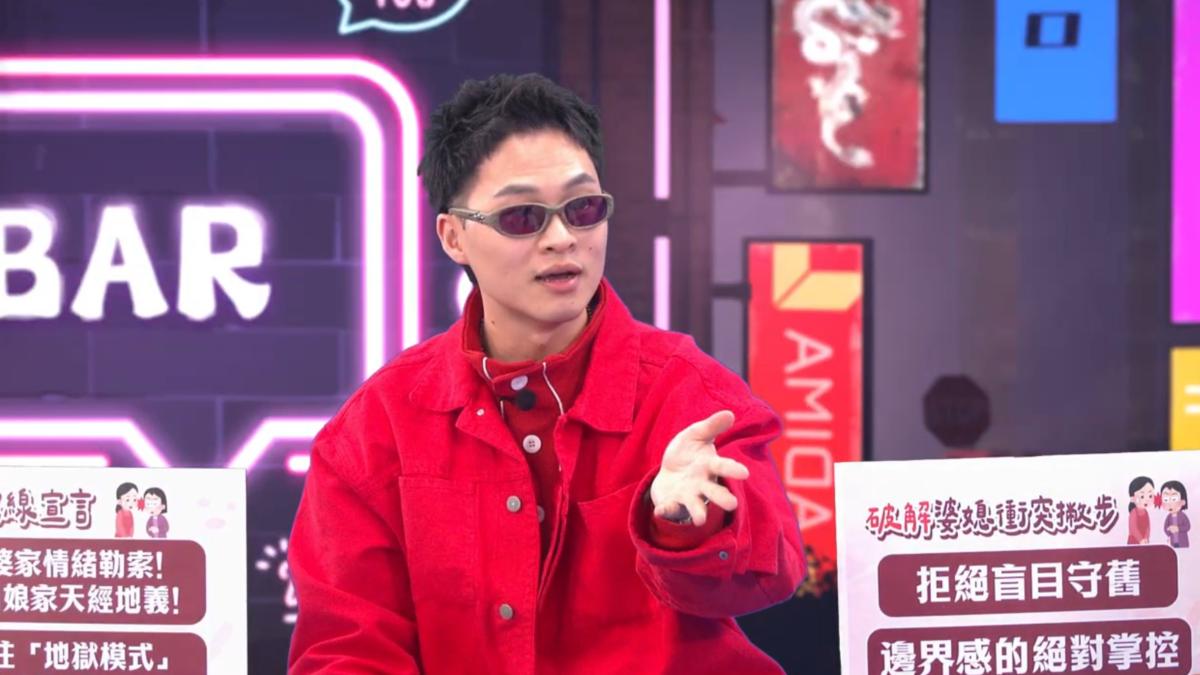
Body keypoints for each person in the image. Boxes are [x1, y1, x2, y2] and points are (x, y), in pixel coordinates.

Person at [286, 73, 805, 674]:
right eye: (521, 216)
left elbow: (772, 571)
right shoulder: (377, 429)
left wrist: (687, 524)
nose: (562, 239)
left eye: (583, 209)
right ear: (454, 237)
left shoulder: (688, 393)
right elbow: (347, 648)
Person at [1126, 476, 1155, 545]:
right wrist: (1140, 539)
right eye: (1142, 496)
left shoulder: (1146, 512)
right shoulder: (1134, 512)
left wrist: (1146, 538)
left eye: (1150, 496)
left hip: (1144, 542)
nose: (1146, 499)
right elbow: (1133, 528)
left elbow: (1148, 528)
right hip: (1134, 541)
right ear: (1132, 498)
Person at [1161, 480, 1189, 548]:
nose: (1170, 504)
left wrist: (1178, 529)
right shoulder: (1169, 517)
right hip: (1172, 541)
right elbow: (1165, 527)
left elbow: (1187, 526)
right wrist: (1168, 531)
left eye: (1174, 499)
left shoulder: (1182, 515)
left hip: (1182, 541)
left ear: (1183, 502)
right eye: (1166, 500)